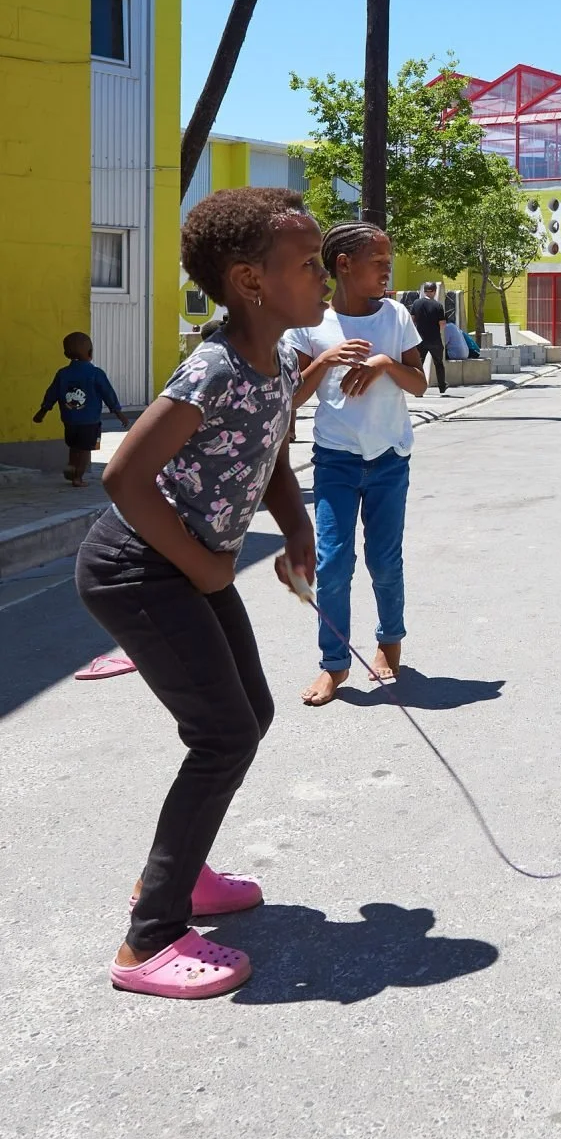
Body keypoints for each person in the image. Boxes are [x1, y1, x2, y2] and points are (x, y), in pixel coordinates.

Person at [74, 187, 324, 999]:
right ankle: (147, 941)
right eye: (308, 264)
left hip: (188, 565)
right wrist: (208, 567)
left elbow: (270, 450)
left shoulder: (281, 361)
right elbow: (124, 475)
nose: (323, 275)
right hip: (138, 568)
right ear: (250, 281)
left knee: (248, 716)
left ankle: (180, 871)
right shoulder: (213, 368)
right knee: (223, 733)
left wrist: (295, 526)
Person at [288, 222, 427, 706]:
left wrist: (384, 364)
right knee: (333, 563)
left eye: (389, 261)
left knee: (384, 560)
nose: (388, 270)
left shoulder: (396, 315)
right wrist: (325, 360)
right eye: (379, 262)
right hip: (335, 461)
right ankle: (335, 663)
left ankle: (390, 642)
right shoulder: (312, 323)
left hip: (389, 459)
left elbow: (419, 383)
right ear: (344, 265)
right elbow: (293, 397)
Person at [34, 333, 123, 486]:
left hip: (69, 420)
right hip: (90, 421)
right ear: (90, 352)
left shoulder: (62, 374)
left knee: (74, 446)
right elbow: (108, 394)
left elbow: (51, 393)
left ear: (66, 353)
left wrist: (43, 411)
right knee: (85, 450)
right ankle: (78, 478)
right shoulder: (96, 373)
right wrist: (119, 413)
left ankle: (71, 466)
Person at [409, 282, 448, 394]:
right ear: (434, 291)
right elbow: (442, 323)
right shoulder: (438, 305)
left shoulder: (416, 303)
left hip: (420, 339)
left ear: (424, 291)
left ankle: (418, 389)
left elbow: (412, 320)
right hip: (435, 339)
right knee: (438, 363)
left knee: (419, 364)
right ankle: (442, 386)